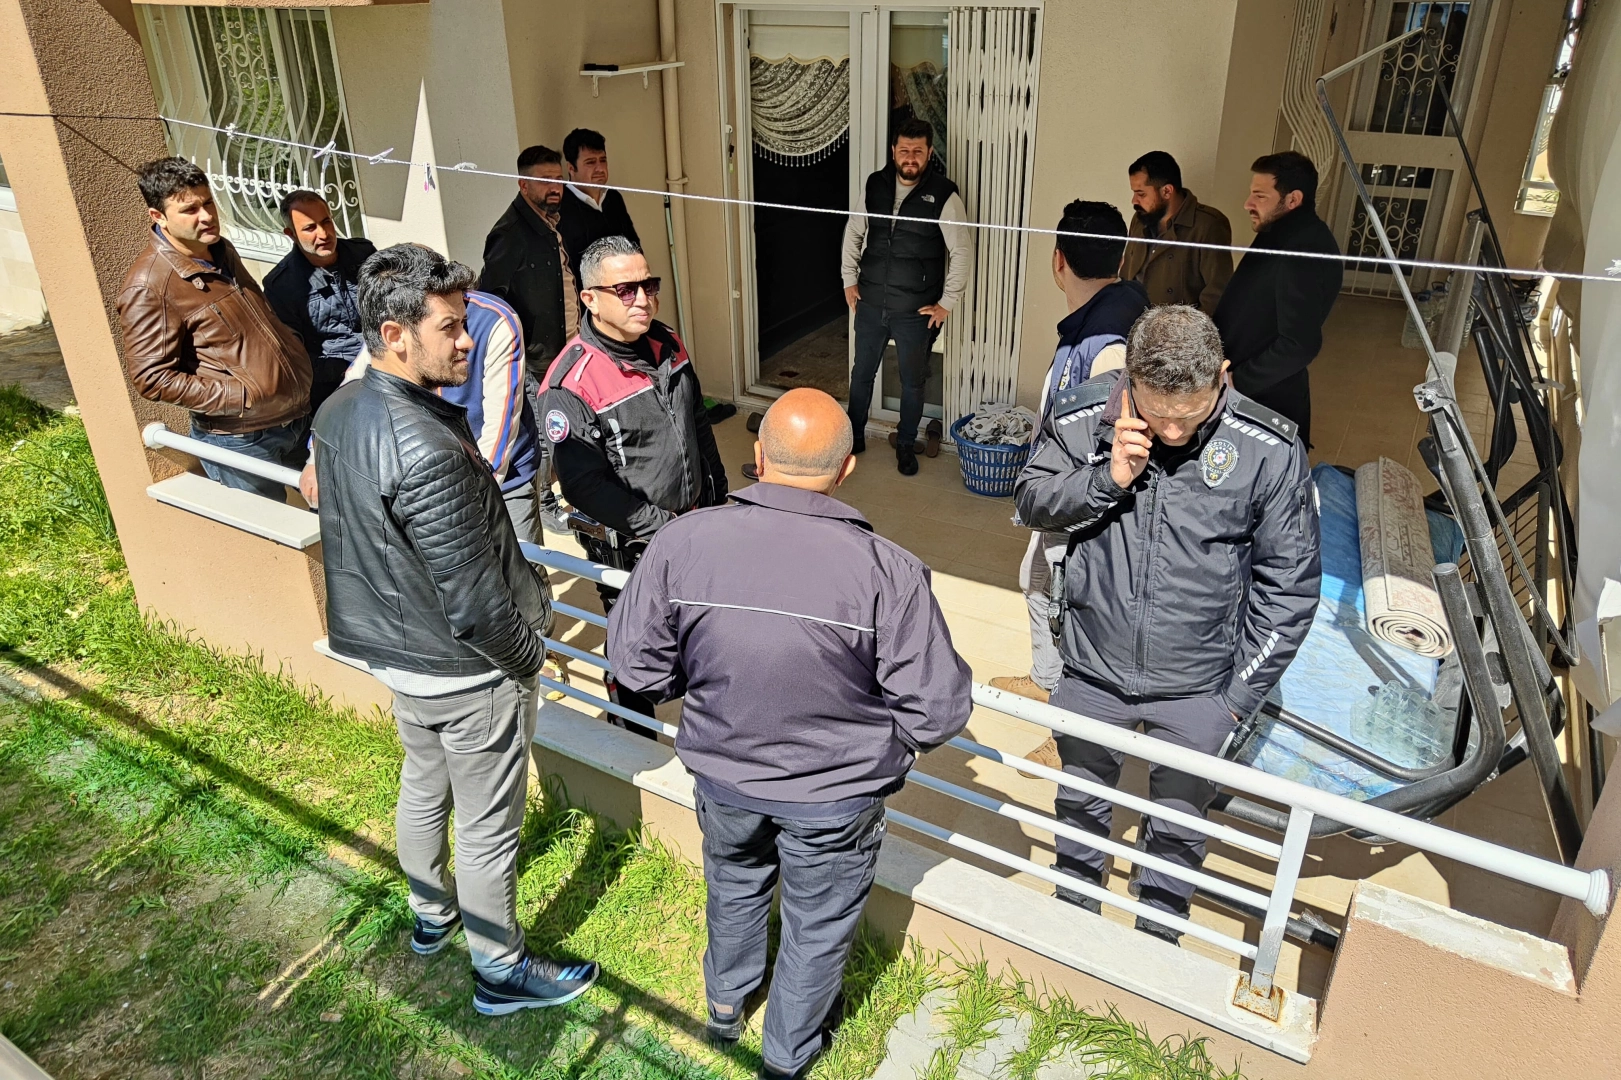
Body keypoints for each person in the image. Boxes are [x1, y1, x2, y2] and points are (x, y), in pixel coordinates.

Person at [607, 388, 972, 1080]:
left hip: (722, 776)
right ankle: (787, 1055)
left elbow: (636, 667)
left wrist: (707, 689)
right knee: (817, 923)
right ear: (846, 469)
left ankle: (724, 1007)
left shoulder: (683, 541)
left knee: (733, 883)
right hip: (835, 796)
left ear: (757, 455)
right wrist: (878, 744)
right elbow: (937, 711)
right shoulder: (887, 571)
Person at [313, 243, 598, 1014]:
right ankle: (499, 972)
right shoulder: (427, 447)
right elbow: (474, 604)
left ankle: (431, 915)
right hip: (467, 671)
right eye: (449, 326)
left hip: (399, 654)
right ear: (394, 335)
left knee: (422, 784)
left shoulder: (340, 410)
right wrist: (527, 658)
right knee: (486, 829)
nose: (467, 341)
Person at [1014, 305, 1320, 941]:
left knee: (1180, 825)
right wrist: (1106, 479)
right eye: (1158, 413)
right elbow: (1032, 500)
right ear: (1129, 380)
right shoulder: (1081, 416)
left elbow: (1289, 588)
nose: (1174, 431)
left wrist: (1233, 700)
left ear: (1222, 376)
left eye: (1191, 413)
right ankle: (1073, 921)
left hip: (1200, 688)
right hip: (1092, 668)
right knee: (1081, 803)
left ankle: (1158, 933)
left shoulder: (1267, 448)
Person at [543, 235, 727, 720]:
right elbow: (584, 485)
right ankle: (631, 730)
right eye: (625, 290)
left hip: (692, 524)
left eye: (649, 285)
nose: (643, 299)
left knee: (700, 630)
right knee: (637, 649)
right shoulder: (571, 383)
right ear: (590, 298)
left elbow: (697, 421)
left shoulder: (668, 343)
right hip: (631, 545)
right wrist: (663, 528)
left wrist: (717, 496)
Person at [992, 201, 1148, 772]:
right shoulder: (1106, 313)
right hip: (1064, 491)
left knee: (1069, 609)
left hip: (1086, 502)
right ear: (1120, 258)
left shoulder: (1108, 345)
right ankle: (1044, 679)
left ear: (1057, 260)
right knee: (1035, 581)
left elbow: (1107, 447)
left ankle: (1069, 736)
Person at [117, 157, 312, 501]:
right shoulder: (149, 286)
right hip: (242, 439)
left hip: (296, 417)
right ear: (158, 216)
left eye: (207, 203)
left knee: (331, 515)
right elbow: (151, 378)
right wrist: (242, 397)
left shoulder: (219, 249)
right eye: (190, 210)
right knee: (270, 530)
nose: (206, 216)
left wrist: (293, 349)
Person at [306, 288, 544, 544]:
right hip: (431, 485)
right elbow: (352, 387)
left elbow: (499, 429)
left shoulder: (495, 320)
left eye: (460, 323)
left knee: (519, 562)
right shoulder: (397, 311)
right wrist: (316, 458)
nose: (465, 341)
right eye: (448, 327)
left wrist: (469, 503)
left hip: (501, 480)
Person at [841, 117, 972, 476]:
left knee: (913, 382)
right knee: (861, 373)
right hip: (871, 302)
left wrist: (947, 303)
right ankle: (853, 438)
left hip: (915, 310)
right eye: (904, 150)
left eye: (917, 151)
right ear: (893, 151)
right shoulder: (875, 185)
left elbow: (961, 251)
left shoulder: (944, 195)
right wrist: (849, 280)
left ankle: (905, 445)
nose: (910, 158)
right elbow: (854, 231)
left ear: (929, 153)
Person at [480, 144, 582, 532]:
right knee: (542, 435)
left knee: (564, 426)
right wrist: (520, 351)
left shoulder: (552, 222)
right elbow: (491, 300)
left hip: (565, 350)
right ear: (523, 185)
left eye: (558, 179)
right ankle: (544, 503)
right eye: (544, 181)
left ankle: (568, 491)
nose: (555, 187)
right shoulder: (510, 235)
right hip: (536, 361)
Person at [1212, 151, 1343, 446]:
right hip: (1247, 397)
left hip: (1265, 405)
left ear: (1293, 199)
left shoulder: (1303, 249)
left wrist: (1236, 381)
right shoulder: (1280, 232)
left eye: (1260, 196)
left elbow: (1299, 345)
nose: (1248, 204)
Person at [262, 189, 377, 417]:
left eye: (326, 222)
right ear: (291, 234)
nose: (323, 234)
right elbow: (294, 358)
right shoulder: (282, 285)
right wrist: (347, 368)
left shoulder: (363, 253)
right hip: (336, 390)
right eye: (310, 228)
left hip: (385, 366)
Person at [1120, 151, 1232, 315]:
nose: (1134, 201)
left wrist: (1186, 330)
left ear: (1166, 191)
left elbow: (1217, 295)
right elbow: (1127, 275)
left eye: (1141, 194)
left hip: (1177, 329)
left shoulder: (1208, 225)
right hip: (1131, 323)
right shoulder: (1140, 219)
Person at [557, 129, 640, 286]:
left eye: (603, 160)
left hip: (625, 292)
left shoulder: (613, 198)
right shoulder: (559, 207)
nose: (600, 168)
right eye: (590, 162)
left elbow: (634, 247)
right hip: (587, 297)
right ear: (571, 168)